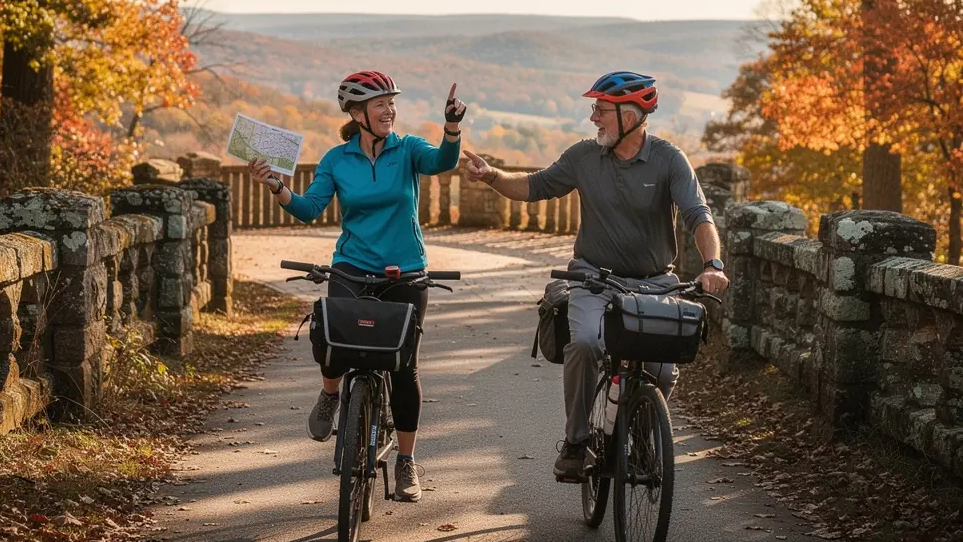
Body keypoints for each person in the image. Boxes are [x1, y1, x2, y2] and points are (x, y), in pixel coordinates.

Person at [461, 70, 729, 480]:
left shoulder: (669, 159)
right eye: (595, 110)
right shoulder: (584, 157)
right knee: (585, 342)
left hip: (655, 281)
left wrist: (712, 264)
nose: (594, 118)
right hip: (592, 278)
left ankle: (640, 431)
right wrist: (492, 176)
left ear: (632, 114)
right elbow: (535, 186)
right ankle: (576, 441)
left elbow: (699, 216)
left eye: (601, 111)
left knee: (661, 370)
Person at [249, 71, 466, 502]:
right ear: (356, 112)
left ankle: (406, 462)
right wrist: (277, 186)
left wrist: (452, 128)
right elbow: (310, 208)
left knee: (404, 368)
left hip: (405, 271)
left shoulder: (408, 150)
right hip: (351, 267)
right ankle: (331, 396)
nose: (390, 110)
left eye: (391, 102)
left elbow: (444, 162)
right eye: (380, 103)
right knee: (334, 342)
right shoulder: (336, 159)